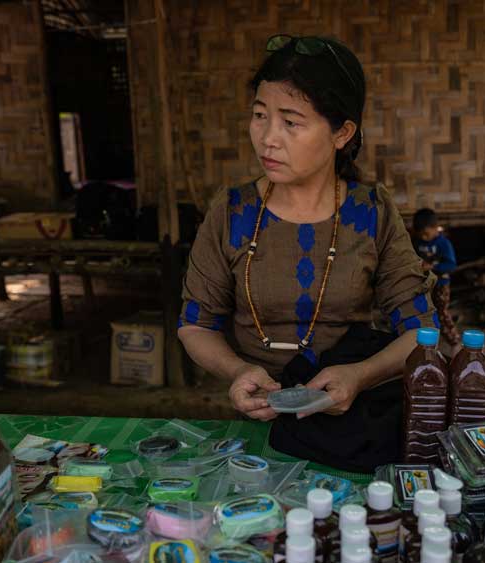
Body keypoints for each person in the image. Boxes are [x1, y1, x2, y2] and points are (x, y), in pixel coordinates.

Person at [177, 35, 439, 472]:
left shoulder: (370, 212)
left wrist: (360, 375)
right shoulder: (233, 211)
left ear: (342, 132)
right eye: (260, 116)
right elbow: (194, 324)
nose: (267, 139)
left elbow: (422, 332)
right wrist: (238, 371)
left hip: (348, 429)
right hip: (253, 430)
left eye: (291, 122)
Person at [412, 208, 459, 346]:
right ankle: (428, 343)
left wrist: (432, 267)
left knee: (441, 314)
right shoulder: (416, 242)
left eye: (426, 234)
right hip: (423, 285)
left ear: (435, 228)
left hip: (440, 286)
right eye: (420, 234)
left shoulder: (443, 243)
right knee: (423, 313)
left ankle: (455, 342)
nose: (423, 238)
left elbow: (451, 265)